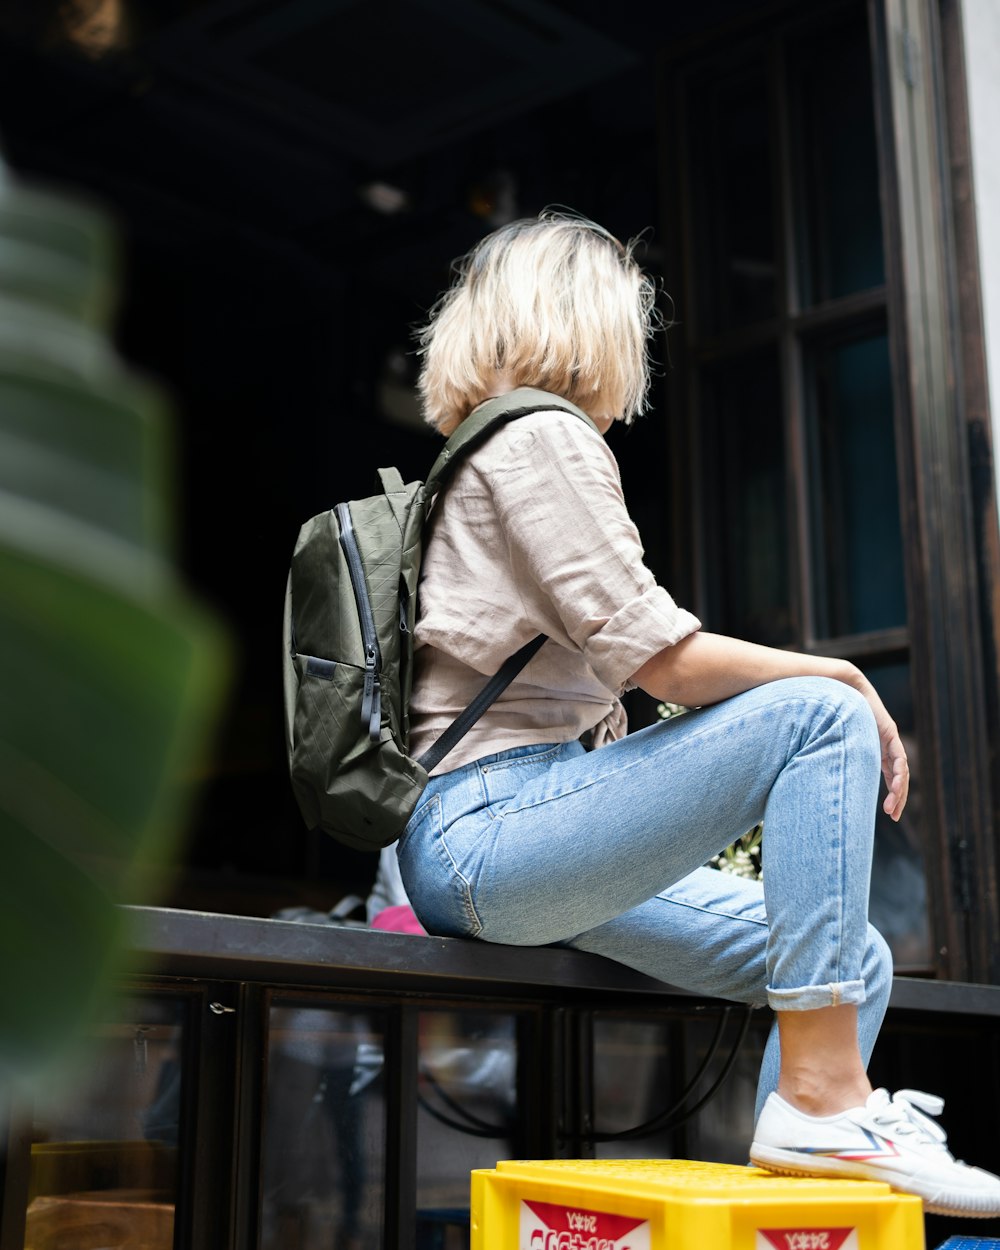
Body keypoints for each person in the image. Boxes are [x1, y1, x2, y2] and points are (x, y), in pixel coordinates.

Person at [396, 210, 1000, 1217]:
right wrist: (841, 679)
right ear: (590, 319)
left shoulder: (488, 447)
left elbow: (628, 665)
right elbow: (659, 658)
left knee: (851, 958)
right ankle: (821, 1101)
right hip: (490, 832)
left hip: (516, 835)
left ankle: (798, 1187)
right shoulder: (540, 434)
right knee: (814, 714)